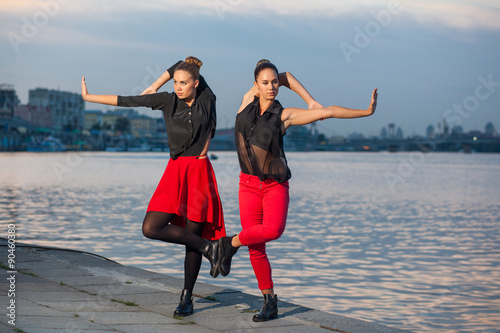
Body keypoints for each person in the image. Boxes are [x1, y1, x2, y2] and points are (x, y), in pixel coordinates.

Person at [217, 59, 378, 322]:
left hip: (274, 186)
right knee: (256, 247)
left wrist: (364, 111)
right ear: (255, 85)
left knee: (273, 230)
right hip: (246, 185)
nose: (272, 87)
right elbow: (287, 75)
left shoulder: (285, 115)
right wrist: (294, 87)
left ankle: (228, 243)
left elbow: (330, 112)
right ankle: (269, 302)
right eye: (266, 83)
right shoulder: (247, 100)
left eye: (274, 83)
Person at [81, 56, 226, 317]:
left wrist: (174, 74)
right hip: (175, 172)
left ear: (196, 83)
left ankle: (187, 297)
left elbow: (184, 66)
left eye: (183, 83)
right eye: (176, 82)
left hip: (200, 173)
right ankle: (210, 248)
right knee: (150, 227)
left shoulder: (208, 98)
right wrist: (89, 98)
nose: (178, 87)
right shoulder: (167, 100)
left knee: (191, 238)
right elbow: (128, 101)